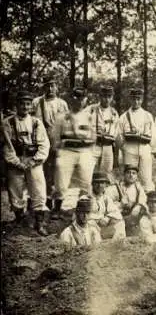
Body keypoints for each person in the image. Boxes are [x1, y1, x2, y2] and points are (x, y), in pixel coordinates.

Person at [3, 91, 50, 235]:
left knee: (38, 190)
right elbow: (6, 147)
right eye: (22, 103)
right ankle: (19, 220)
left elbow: (44, 144)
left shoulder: (36, 122)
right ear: (16, 105)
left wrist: (35, 160)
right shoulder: (7, 123)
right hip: (16, 161)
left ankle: (39, 223)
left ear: (31, 106)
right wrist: (17, 162)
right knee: (15, 192)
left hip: (33, 160)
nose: (25, 106)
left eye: (28, 104)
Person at [52, 87, 96, 219]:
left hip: (84, 151)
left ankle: (83, 209)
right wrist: (58, 151)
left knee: (86, 181)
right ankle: (57, 208)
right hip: (67, 151)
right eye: (76, 98)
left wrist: (88, 149)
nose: (79, 101)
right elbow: (55, 138)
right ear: (71, 99)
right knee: (61, 181)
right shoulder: (62, 117)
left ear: (85, 100)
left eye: (82, 98)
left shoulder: (89, 117)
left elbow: (94, 137)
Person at [32, 75, 69, 212]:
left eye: (53, 85)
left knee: (59, 174)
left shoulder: (62, 104)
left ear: (57, 87)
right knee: (42, 173)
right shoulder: (36, 102)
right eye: (47, 85)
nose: (50, 88)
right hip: (41, 143)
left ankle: (58, 206)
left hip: (58, 143)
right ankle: (45, 202)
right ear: (43, 87)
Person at [116, 88, 156, 192]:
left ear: (142, 100)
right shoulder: (124, 117)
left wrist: (149, 146)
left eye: (138, 99)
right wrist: (124, 148)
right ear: (130, 99)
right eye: (134, 99)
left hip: (144, 148)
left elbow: (153, 134)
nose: (136, 102)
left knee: (146, 176)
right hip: (130, 148)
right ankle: (128, 198)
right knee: (130, 176)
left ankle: (145, 200)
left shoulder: (148, 115)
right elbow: (119, 136)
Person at [105, 164, 147, 236]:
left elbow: (143, 201)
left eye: (134, 173)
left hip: (132, 216)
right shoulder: (115, 187)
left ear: (136, 176)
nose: (131, 175)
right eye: (128, 173)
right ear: (124, 175)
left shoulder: (138, 188)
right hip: (118, 216)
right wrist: (120, 204)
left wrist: (138, 206)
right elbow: (107, 203)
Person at [88, 85, 119, 180]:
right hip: (94, 145)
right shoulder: (91, 109)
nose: (106, 99)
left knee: (106, 173)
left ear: (112, 97)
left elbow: (116, 133)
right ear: (100, 97)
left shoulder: (114, 113)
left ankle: (104, 193)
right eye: (104, 96)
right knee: (89, 171)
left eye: (109, 96)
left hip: (108, 147)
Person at [88, 171, 126, 239]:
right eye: (97, 183)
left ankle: (118, 246)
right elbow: (81, 216)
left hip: (102, 227)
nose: (99, 185)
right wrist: (98, 219)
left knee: (120, 223)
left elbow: (116, 212)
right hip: (91, 226)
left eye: (102, 183)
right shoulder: (86, 198)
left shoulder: (106, 198)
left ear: (105, 184)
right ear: (92, 184)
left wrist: (107, 218)